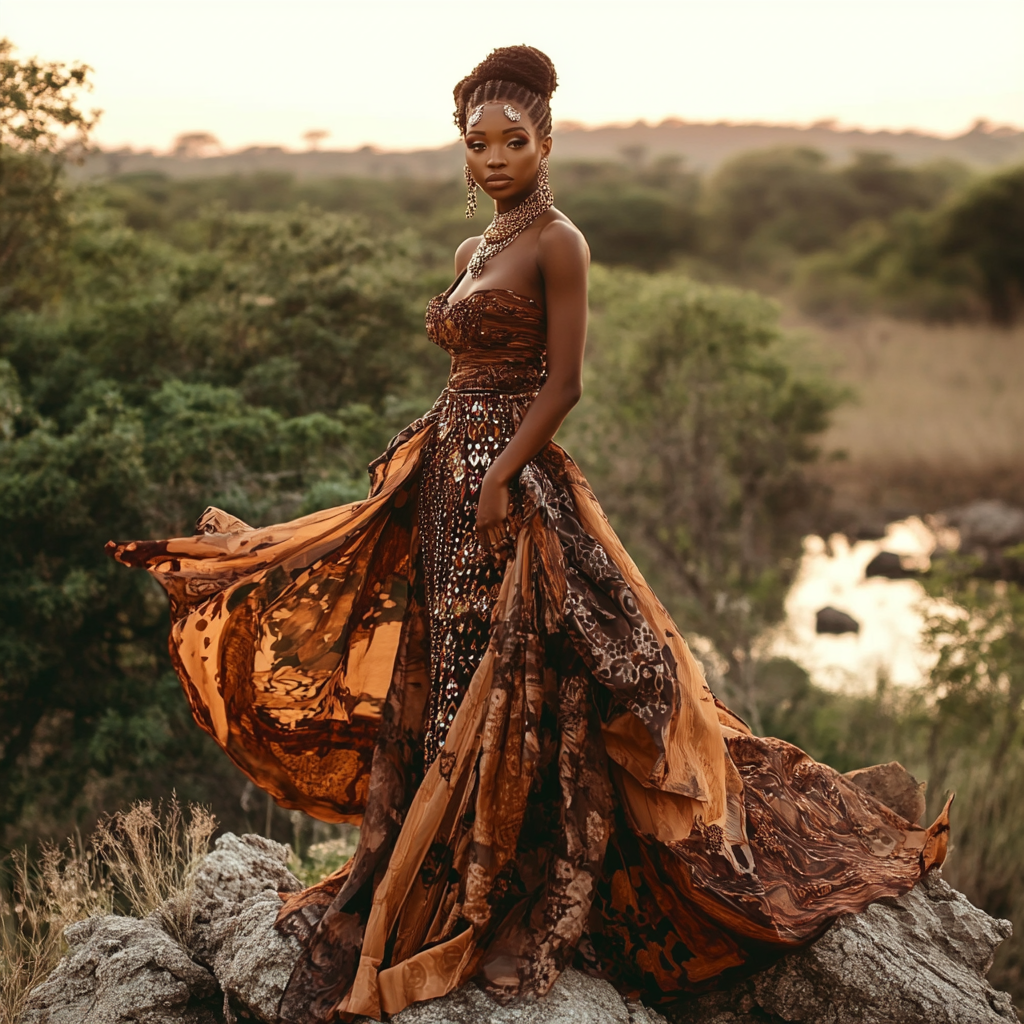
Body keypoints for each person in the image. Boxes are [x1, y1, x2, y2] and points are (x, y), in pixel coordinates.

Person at [107, 45, 949, 1024]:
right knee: (442, 681)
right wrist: (433, 464)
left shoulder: (561, 244)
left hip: (512, 493)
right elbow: (459, 377)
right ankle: (438, 866)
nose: (496, 156)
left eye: (514, 140)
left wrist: (502, 476)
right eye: (478, 143)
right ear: (461, 153)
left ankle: (500, 883)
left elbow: (564, 384)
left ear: (546, 140)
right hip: (442, 483)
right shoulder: (471, 253)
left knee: (518, 684)